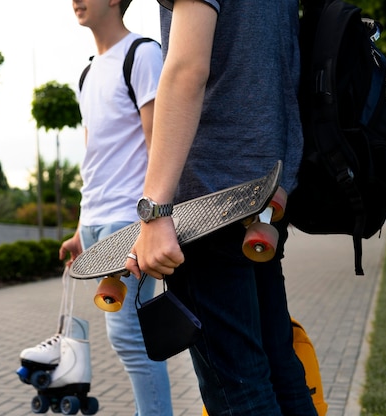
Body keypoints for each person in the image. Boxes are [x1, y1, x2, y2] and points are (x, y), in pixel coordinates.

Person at [126, 1, 318, 415]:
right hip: (263, 191)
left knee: (240, 393)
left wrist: (155, 211)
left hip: (209, 201)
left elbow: (186, 69)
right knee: (279, 371)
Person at [58, 0, 172, 415]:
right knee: (127, 337)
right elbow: (95, 157)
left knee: (130, 337)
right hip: (96, 223)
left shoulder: (142, 54)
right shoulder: (88, 73)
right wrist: (79, 228)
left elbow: (158, 142)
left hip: (130, 221)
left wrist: (153, 221)